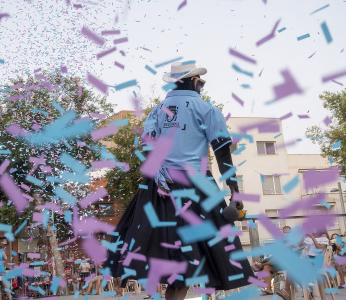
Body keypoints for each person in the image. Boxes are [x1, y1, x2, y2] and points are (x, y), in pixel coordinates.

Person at [103, 62, 254, 300]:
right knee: (193, 259)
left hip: (156, 188)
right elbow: (223, 152)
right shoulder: (206, 109)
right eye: (201, 82)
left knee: (167, 257)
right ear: (193, 82)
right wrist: (234, 192)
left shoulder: (158, 110)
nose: (202, 86)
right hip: (194, 186)